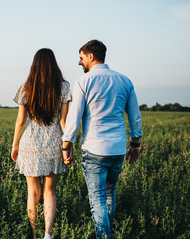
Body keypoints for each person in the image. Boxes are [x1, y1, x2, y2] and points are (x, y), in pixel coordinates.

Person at [62, 40, 142, 239]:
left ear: (91, 56)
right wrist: (135, 144)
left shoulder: (84, 81)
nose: (79, 63)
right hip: (117, 149)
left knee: (97, 199)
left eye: (81, 58)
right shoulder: (124, 80)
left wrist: (67, 144)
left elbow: (74, 116)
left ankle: (103, 237)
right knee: (109, 194)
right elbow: (134, 116)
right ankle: (107, 233)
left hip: (94, 149)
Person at [11, 48, 72, 239]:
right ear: (54, 65)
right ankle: (47, 234)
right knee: (49, 192)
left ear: (34, 65)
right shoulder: (63, 88)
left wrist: (15, 145)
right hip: (53, 142)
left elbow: (20, 121)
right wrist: (68, 144)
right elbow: (64, 121)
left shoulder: (26, 87)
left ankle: (34, 234)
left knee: (32, 192)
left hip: (30, 143)